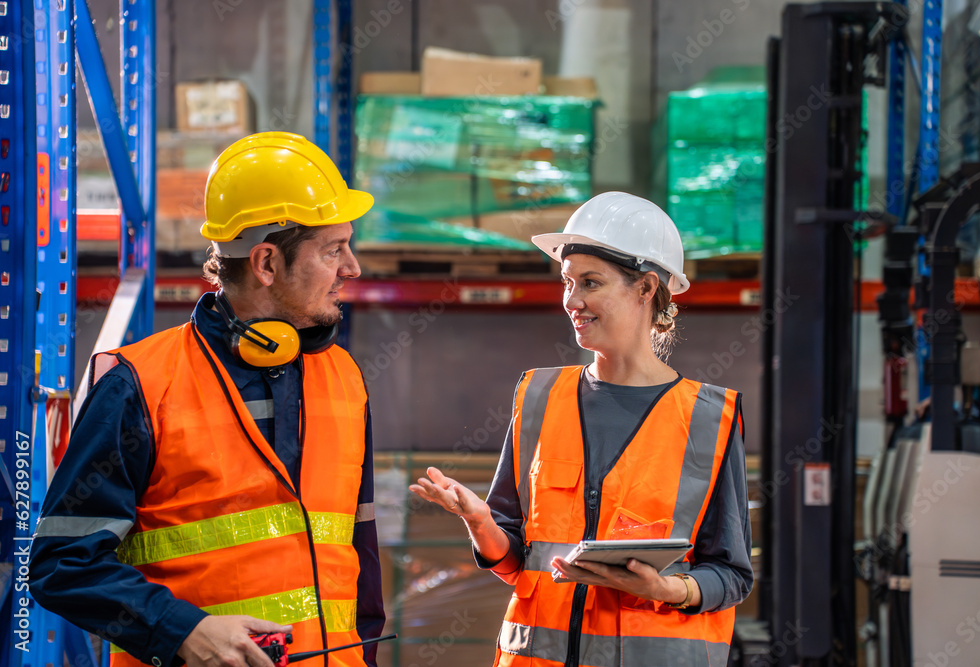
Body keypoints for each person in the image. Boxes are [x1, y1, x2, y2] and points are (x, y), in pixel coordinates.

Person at [30, 132, 385, 667]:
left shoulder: (344, 378)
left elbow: (362, 562)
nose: (352, 268)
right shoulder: (140, 385)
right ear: (266, 263)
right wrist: (180, 631)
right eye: (334, 249)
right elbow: (63, 564)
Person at [410, 192, 753, 667]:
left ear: (646, 288)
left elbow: (731, 575)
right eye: (568, 283)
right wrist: (481, 521)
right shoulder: (538, 397)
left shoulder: (708, 418)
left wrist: (666, 588)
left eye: (590, 283)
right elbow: (516, 560)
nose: (572, 300)